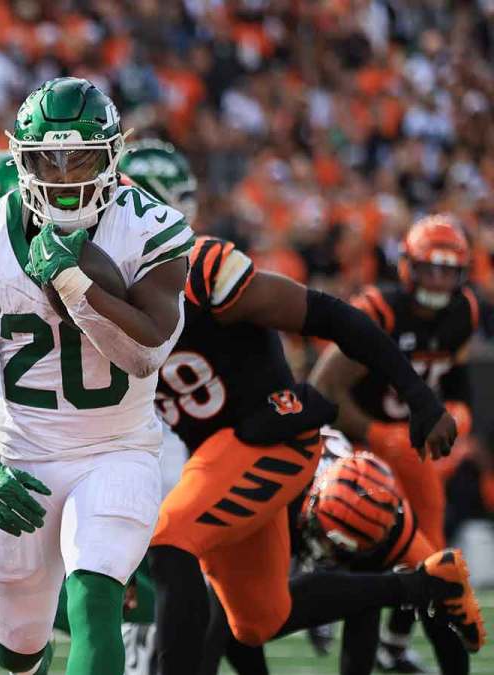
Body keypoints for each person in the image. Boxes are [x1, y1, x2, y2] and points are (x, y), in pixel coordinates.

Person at [102, 141, 479, 675]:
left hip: (273, 437)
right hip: (216, 454)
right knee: (257, 620)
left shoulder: (204, 268)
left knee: (171, 541)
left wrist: (419, 399)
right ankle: (422, 585)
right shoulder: (96, 302)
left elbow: (330, 315)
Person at [0, 77, 194, 675]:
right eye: (47, 160)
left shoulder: (151, 228)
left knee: (96, 596)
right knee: (18, 645)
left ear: (112, 156)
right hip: (24, 451)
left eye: (80, 158)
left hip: (118, 447)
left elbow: (147, 352)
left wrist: (75, 282)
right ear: (20, 161)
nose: (63, 176)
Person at [310, 214, 479, 671]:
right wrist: (376, 434)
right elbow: (323, 388)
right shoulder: (379, 310)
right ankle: (314, 589)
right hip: (355, 446)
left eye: (448, 270)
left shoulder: (463, 311)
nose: (438, 280)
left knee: (430, 548)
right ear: (408, 266)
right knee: (366, 547)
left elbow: (456, 377)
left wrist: (459, 410)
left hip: (412, 446)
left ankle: (395, 644)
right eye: (430, 268)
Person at [297, 436, 483, 674]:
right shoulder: (286, 496)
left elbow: (443, 590)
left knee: (404, 586)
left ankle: (390, 643)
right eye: (333, 540)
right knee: (261, 617)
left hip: (347, 491)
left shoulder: (387, 519)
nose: (334, 552)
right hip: (285, 486)